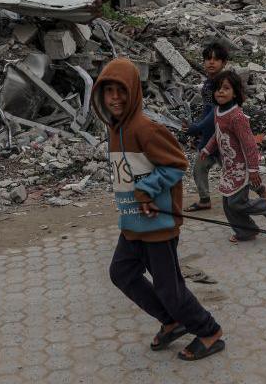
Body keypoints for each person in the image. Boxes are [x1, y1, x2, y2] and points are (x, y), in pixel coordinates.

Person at [93, 57, 226, 361]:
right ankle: (172, 320)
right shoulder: (114, 129)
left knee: (170, 289)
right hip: (132, 222)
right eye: (108, 91)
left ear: (134, 92)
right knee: (122, 273)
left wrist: (146, 190)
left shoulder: (146, 128)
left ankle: (209, 331)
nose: (114, 98)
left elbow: (176, 164)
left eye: (121, 91)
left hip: (157, 225)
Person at [201, 70, 266, 243]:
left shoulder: (237, 117)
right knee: (227, 203)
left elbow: (249, 145)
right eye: (218, 88)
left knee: (237, 203)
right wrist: (207, 149)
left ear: (235, 92)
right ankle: (246, 231)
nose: (220, 91)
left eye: (226, 88)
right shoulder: (218, 111)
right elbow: (217, 135)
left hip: (242, 167)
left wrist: (253, 169)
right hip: (229, 167)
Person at [183, 41, 229, 212]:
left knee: (234, 171)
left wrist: (197, 127)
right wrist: (198, 127)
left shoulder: (222, 85)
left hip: (224, 136)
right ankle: (204, 199)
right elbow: (207, 109)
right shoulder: (209, 85)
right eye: (208, 59)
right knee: (199, 168)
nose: (211, 62)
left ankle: (262, 191)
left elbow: (216, 112)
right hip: (211, 136)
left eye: (216, 59)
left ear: (223, 63)